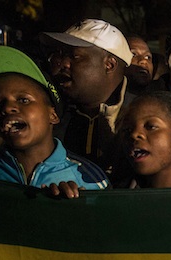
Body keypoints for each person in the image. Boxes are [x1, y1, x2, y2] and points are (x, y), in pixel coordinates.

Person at [0, 45, 109, 197]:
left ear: (53, 115)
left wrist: (77, 210)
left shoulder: (90, 181)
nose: (7, 108)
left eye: (23, 100)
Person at [40, 18, 135, 169]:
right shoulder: (49, 113)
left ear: (109, 65)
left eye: (75, 56)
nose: (64, 63)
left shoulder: (140, 115)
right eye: (62, 54)